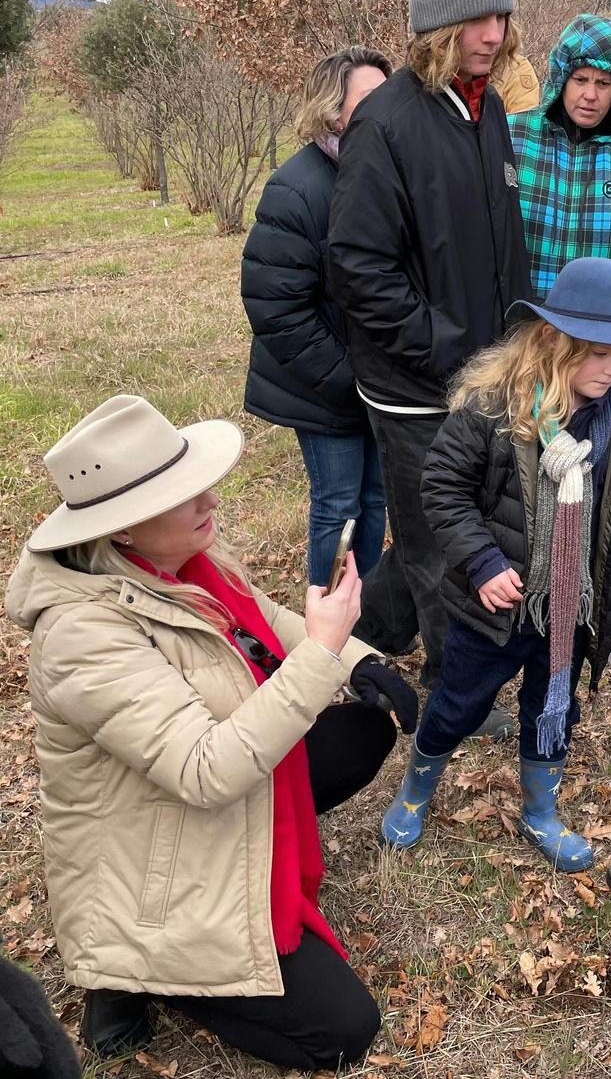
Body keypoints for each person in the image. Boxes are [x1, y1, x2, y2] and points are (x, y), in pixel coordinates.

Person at [4, 395, 419, 1070]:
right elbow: (206, 771)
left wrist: (358, 659)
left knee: (363, 731)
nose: (209, 499)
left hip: (200, 797)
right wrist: (321, 655)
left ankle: (248, 872)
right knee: (345, 1031)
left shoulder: (184, 564)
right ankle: (131, 973)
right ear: (123, 531)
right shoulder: (81, 636)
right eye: (182, 493)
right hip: (154, 858)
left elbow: (266, 618)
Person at [379, 258, 611, 870]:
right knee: (457, 702)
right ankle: (416, 788)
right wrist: (483, 562)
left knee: (552, 709)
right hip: (497, 607)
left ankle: (540, 810)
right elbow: (441, 485)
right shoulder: (494, 411)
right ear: (552, 341)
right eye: (598, 354)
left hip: (570, 613)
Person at [328, 0, 531, 743]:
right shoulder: (386, 125)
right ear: (438, 27)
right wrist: (449, 349)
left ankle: (362, 631)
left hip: (485, 375)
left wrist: (519, 343)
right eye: (478, 20)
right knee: (439, 541)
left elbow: (502, 245)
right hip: (417, 389)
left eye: (502, 18)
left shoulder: (487, 115)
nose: (495, 34)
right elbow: (358, 269)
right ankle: (456, 691)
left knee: (460, 521)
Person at [241, 46, 391, 593]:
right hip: (328, 387)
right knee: (338, 506)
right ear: (335, 113)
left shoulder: (384, 174)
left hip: (381, 383)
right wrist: (350, 379)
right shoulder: (298, 188)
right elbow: (276, 309)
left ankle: (365, 617)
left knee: (376, 499)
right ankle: (330, 632)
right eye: (371, 100)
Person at [508, 14, 611, 314]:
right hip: (513, 331)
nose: (590, 95)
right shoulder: (511, 137)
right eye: (580, 79)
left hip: (596, 338)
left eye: (603, 83)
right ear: (561, 79)